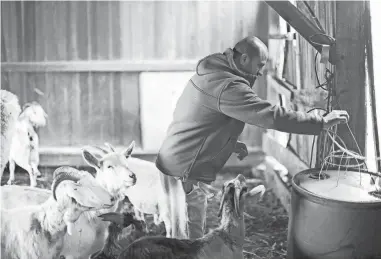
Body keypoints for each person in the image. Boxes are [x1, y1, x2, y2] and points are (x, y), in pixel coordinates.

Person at [155, 36, 349, 239]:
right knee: (189, 238)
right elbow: (270, 116)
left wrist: (229, 143)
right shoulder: (227, 86)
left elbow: (200, 120)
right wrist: (320, 122)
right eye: (260, 65)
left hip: (174, 159)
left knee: (177, 232)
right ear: (245, 59)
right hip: (185, 170)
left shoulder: (211, 73)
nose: (261, 71)